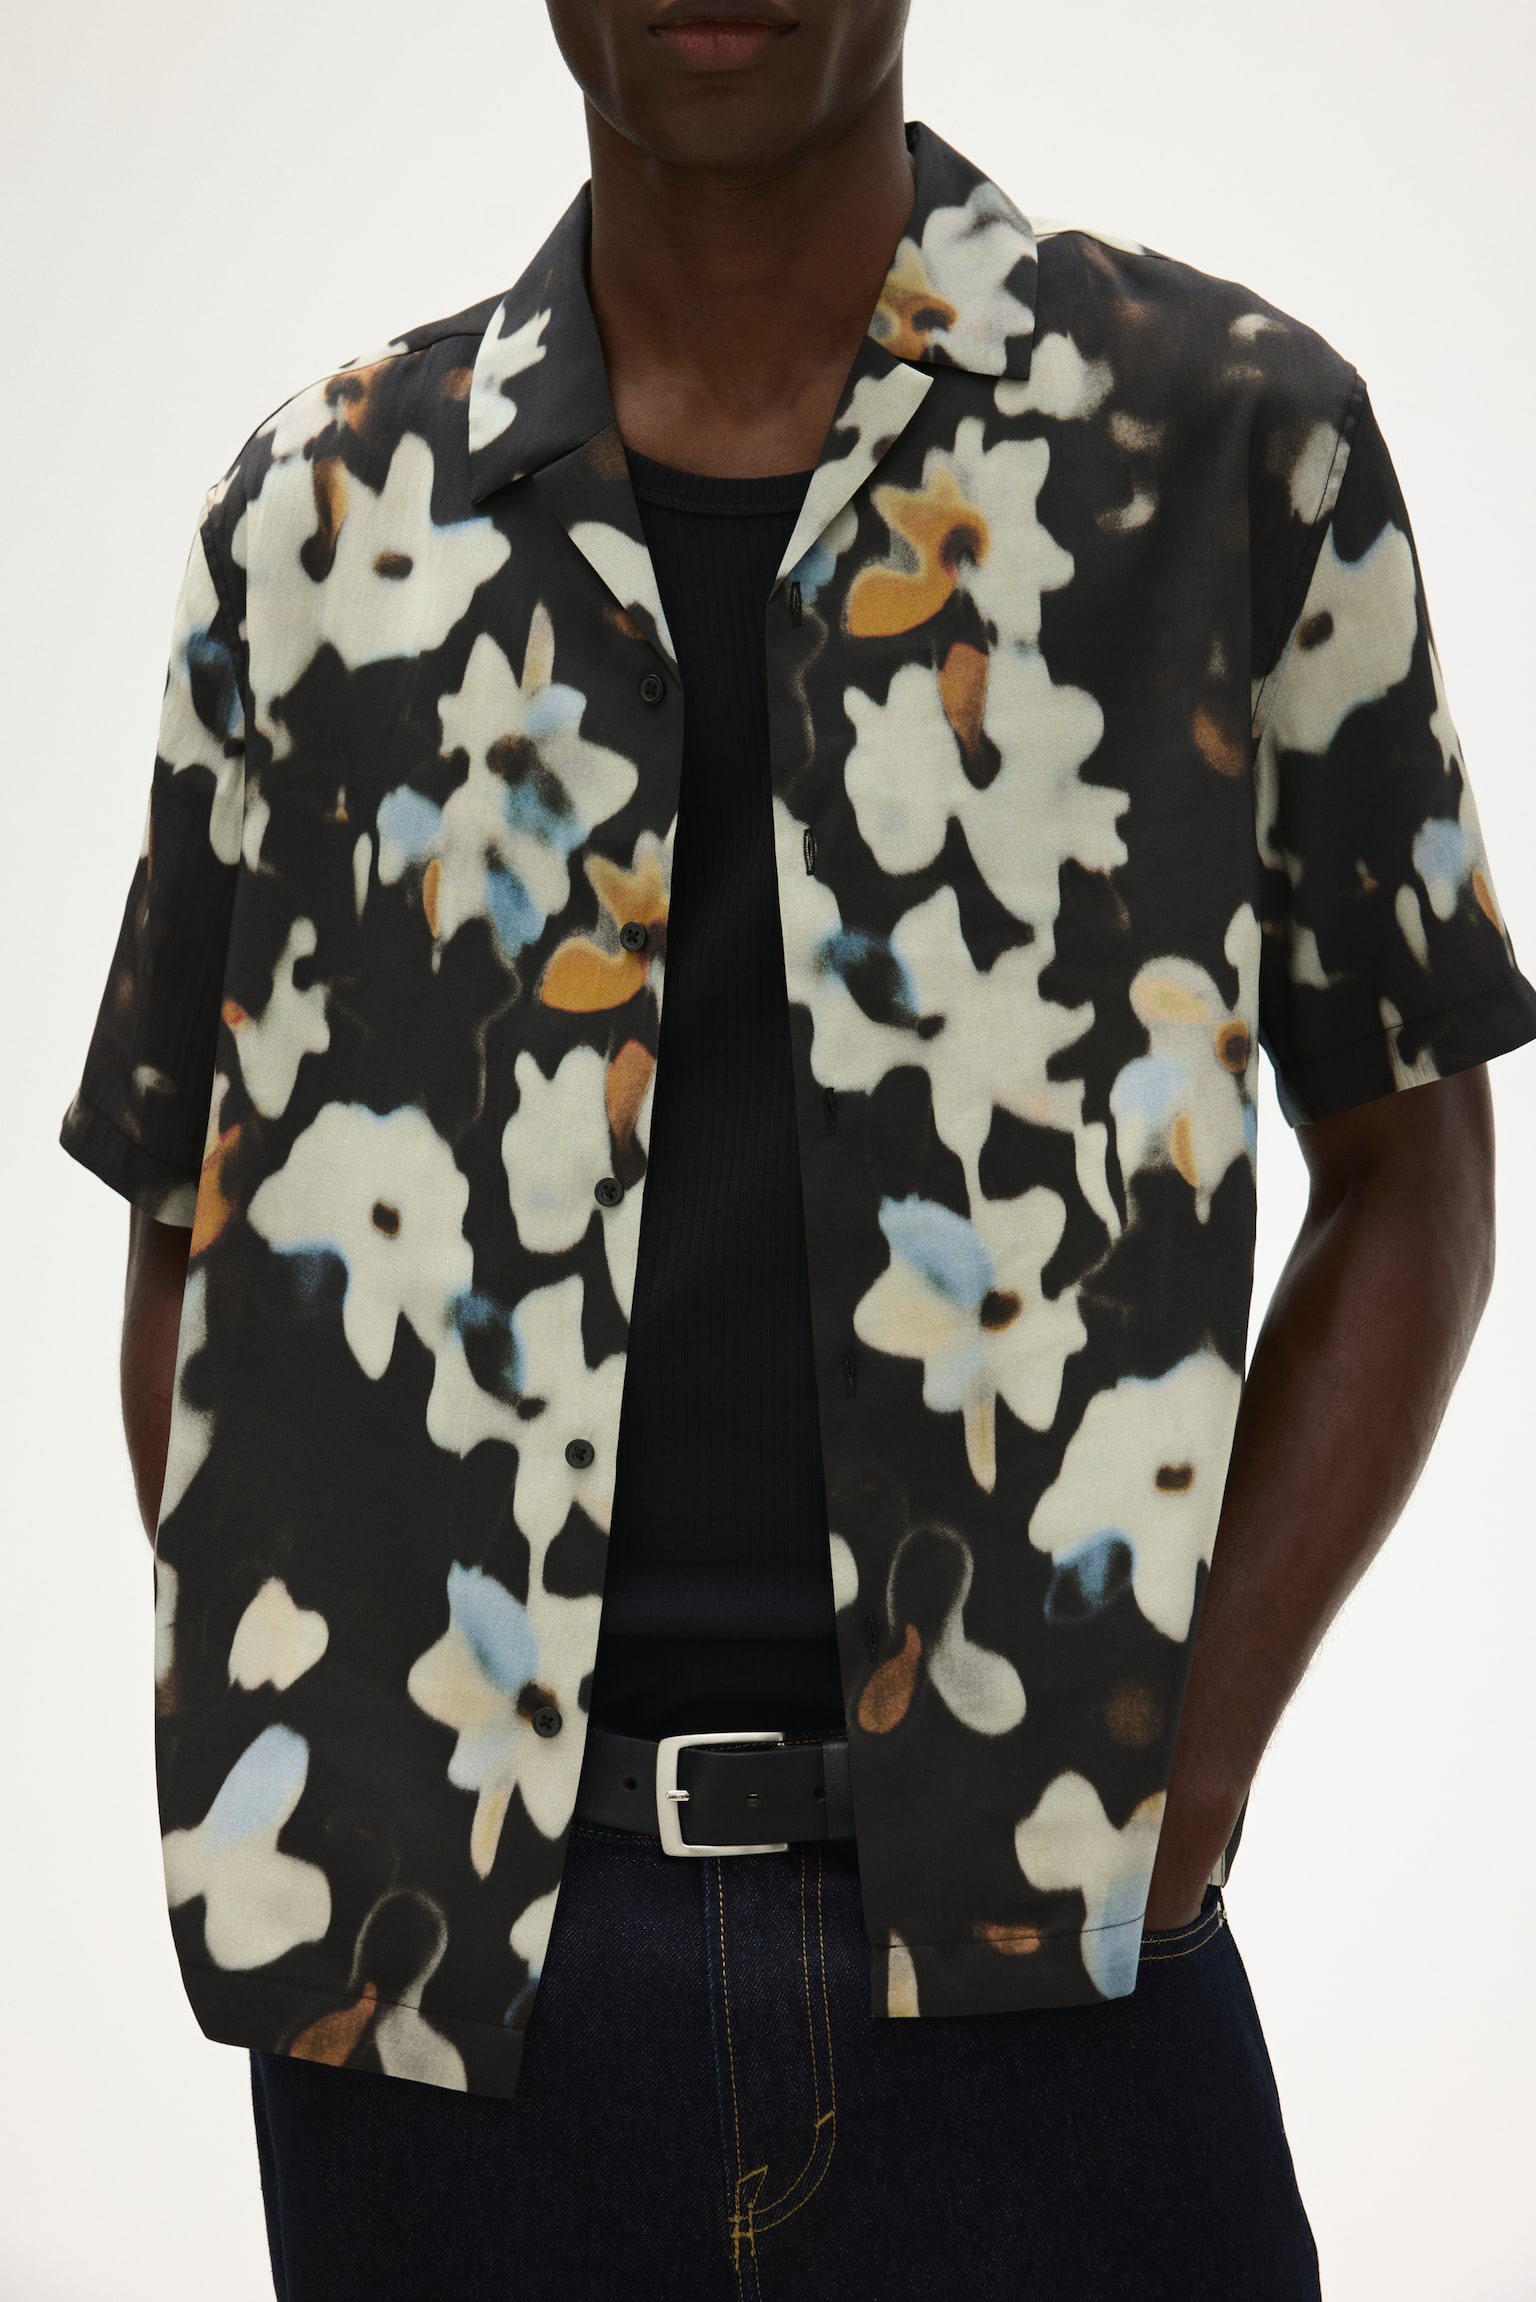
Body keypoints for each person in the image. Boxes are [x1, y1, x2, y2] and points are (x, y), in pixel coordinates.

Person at [61, 3, 1536, 2296]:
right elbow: (188, 1214)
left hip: (1045, 1957)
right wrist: (340, 1775)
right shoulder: (315, 516)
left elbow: (1414, 1165)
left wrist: (1182, 1784)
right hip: (451, 2013)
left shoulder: (1237, 442)